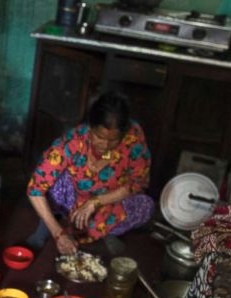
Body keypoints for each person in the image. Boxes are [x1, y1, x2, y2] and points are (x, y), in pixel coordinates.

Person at [25, 91, 154, 256]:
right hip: (74, 198)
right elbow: (35, 188)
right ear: (90, 126)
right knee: (53, 179)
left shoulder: (133, 136)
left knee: (146, 206)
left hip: (111, 200)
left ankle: (106, 232)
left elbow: (138, 183)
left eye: (114, 140)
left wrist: (95, 202)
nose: (106, 145)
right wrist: (58, 234)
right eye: (100, 137)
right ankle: (45, 229)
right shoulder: (73, 141)